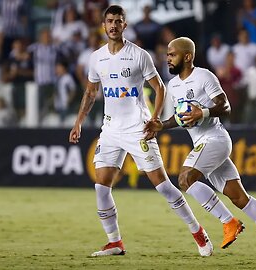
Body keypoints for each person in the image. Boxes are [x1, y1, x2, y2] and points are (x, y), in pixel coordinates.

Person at [68, 5, 212, 257]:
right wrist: (79, 121)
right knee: (101, 185)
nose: (113, 25)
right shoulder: (96, 58)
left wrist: (154, 119)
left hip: (138, 128)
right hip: (110, 128)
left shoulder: (139, 55)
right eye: (109, 21)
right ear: (104, 25)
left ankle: (198, 232)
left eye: (118, 21)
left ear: (125, 25)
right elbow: (91, 92)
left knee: (163, 186)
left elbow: (160, 88)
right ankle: (115, 242)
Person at [144, 37, 256, 264]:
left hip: (215, 139)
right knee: (239, 197)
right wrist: (162, 125)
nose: (168, 58)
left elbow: (225, 106)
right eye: (167, 55)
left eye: (172, 54)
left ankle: (229, 222)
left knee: (186, 178)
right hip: (204, 143)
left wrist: (203, 112)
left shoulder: (204, 76)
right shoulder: (174, 85)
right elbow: (180, 117)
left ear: (187, 56)